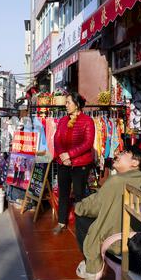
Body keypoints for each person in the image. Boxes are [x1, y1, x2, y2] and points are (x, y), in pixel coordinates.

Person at [74, 146, 141, 280]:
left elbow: (93, 206)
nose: (118, 154)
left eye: (124, 153)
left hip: (118, 242)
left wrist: (78, 206)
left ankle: (92, 266)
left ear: (135, 163)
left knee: (81, 218)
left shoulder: (116, 181)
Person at [53, 92, 95, 235]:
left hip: (80, 164)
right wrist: (63, 156)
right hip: (63, 162)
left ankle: (81, 225)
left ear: (77, 105)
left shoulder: (87, 121)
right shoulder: (63, 121)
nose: (66, 105)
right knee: (63, 193)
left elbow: (88, 143)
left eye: (68, 102)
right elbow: (56, 139)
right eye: (66, 102)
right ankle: (61, 222)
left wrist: (70, 154)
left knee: (79, 194)